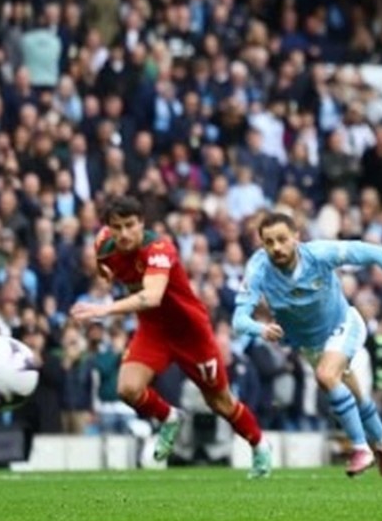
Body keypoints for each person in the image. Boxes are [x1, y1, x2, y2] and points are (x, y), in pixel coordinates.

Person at [72, 196, 273, 478]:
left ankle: (260, 445)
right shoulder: (104, 246)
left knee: (220, 402)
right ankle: (169, 417)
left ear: (142, 223)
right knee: (127, 389)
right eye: (117, 227)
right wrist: (104, 273)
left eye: (130, 225)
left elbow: (152, 296)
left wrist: (105, 309)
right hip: (153, 330)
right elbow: (103, 264)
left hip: (190, 332)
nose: (124, 233)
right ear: (108, 228)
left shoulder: (159, 249)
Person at [232, 211, 382, 478]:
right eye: (269, 242)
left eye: (282, 239)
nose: (276, 248)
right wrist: (260, 328)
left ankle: (361, 449)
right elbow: (239, 320)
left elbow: (377, 254)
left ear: (296, 238)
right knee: (352, 394)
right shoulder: (258, 269)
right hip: (311, 344)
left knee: (327, 375)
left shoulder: (320, 254)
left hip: (344, 323)